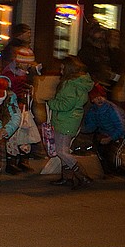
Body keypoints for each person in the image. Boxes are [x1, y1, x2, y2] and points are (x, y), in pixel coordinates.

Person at [45, 56, 95, 189]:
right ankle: (67, 177)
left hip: (65, 120)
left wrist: (51, 103)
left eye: (62, 68)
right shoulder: (80, 83)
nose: (61, 71)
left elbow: (66, 104)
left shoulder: (69, 84)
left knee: (62, 151)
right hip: (72, 119)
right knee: (64, 149)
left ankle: (82, 176)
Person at [2, 45, 43, 174]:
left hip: (25, 107)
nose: (28, 67)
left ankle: (23, 160)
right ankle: (11, 161)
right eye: (26, 64)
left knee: (25, 133)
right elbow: (7, 90)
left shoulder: (25, 73)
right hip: (13, 107)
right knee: (13, 135)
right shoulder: (9, 73)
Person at [82, 83, 125, 177]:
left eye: (101, 96)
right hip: (106, 134)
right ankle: (108, 171)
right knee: (100, 150)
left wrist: (111, 138)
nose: (99, 99)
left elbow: (120, 127)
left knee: (115, 152)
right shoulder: (93, 111)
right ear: (92, 100)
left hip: (121, 134)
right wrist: (80, 130)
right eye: (96, 97)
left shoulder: (111, 109)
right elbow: (91, 125)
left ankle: (120, 169)